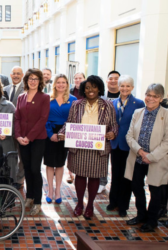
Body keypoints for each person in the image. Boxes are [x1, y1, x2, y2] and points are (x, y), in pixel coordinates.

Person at [58, 75, 118, 219]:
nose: (91, 90)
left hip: (98, 147)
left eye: (94, 87)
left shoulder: (108, 105)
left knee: (94, 177)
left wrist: (112, 133)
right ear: (84, 90)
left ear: (99, 88)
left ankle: (90, 205)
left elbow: (114, 124)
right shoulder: (76, 104)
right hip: (80, 146)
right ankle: (79, 204)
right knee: (80, 175)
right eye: (87, 87)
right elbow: (69, 122)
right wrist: (62, 132)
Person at [125, 83, 168, 232]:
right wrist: (141, 152)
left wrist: (152, 156)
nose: (150, 98)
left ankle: (152, 220)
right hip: (138, 157)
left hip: (157, 160)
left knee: (155, 190)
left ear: (160, 98)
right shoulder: (138, 112)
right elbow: (129, 136)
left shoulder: (166, 115)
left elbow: (167, 141)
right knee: (136, 187)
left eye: (155, 96)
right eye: (148, 95)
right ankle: (141, 215)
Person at [108, 75, 145, 217]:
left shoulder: (139, 103)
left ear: (132, 88)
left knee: (126, 176)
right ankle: (113, 201)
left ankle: (123, 205)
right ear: (118, 87)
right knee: (115, 174)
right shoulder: (112, 103)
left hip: (130, 145)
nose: (124, 88)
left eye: (127, 86)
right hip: (115, 144)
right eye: (122, 86)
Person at [15, 68, 50, 215]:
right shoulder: (21, 97)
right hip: (22, 139)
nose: (33, 81)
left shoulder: (44, 97)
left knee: (35, 169)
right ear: (26, 81)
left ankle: (37, 201)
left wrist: (29, 137)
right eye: (30, 79)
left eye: (36, 79)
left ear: (40, 81)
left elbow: (43, 119)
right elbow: (17, 118)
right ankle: (29, 197)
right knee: (27, 168)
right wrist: (18, 136)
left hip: (37, 139)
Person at [44, 74, 77, 204]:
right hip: (49, 132)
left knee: (59, 163)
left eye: (63, 82)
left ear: (67, 84)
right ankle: (50, 191)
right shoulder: (47, 98)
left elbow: (74, 119)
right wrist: (50, 134)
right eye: (58, 82)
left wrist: (64, 133)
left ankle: (58, 191)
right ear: (54, 84)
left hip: (65, 134)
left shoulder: (73, 99)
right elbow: (43, 117)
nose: (61, 85)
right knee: (49, 163)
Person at [98, 70, 121, 193]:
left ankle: (116, 185)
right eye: (110, 78)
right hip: (102, 135)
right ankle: (102, 182)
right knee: (102, 160)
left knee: (117, 163)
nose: (113, 81)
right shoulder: (100, 97)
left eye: (116, 78)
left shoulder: (124, 97)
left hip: (119, 136)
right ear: (106, 81)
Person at [4, 66, 25, 186]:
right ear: (10, 75)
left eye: (18, 73)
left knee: (21, 156)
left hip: (20, 129)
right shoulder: (4, 89)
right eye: (14, 73)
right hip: (6, 129)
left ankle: (20, 180)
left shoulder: (26, 89)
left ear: (22, 75)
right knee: (10, 154)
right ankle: (9, 177)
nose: (16, 75)